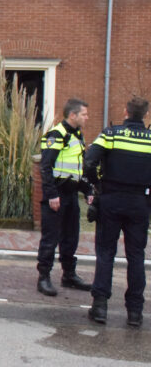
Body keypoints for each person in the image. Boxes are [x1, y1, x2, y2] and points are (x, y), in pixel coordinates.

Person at [84, 96, 151, 327]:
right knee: (136, 256)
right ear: (145, 115)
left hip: (111, 199)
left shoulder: (111, 134)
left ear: (126, 112)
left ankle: (100, 307)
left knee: (105, 253)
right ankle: (135, 313)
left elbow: (89, 162)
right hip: (140, 203)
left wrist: (98, 185)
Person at [36, 98, 94, 296]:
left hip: (71, 195)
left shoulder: (77, 136)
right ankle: (43, 277)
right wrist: (51, 195)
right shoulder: (56, 135)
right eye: (84, 114)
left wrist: (88, 191)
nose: (87, 118)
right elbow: (46, 167)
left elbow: (80, 167)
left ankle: (69, 275)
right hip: (57, 194)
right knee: (50, 238)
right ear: (73, 115)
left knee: (71, 237)